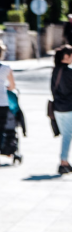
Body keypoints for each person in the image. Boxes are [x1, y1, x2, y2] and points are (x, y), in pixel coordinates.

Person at [52, 45, 72, 175]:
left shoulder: (55, 71)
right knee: (67, 135)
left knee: (66, 134)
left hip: (57, 108)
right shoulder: (69, 72)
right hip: (68, 108)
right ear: (66, 56)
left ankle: (65, 161)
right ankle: (63, 161)